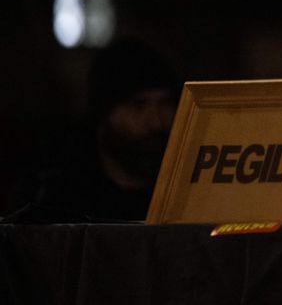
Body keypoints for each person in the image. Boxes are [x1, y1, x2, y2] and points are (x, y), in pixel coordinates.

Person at [10, 38, 179, 222]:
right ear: (104, 112)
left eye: (165, 104)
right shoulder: (56, 198)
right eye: (137, 106)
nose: (156, 121)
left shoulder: (184, 193)